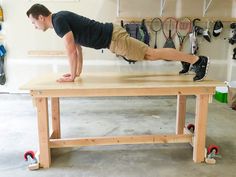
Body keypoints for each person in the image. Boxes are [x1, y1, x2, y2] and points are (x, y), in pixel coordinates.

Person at [26, 4, 209, 82]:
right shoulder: (60, 18)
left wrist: (73, 76)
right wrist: (77, 73)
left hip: (113, 38)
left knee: (151, 54)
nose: (34, 27)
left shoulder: (58, 23)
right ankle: (187, 59)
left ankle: (196, 60)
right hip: (112, 35)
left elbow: (71, 51)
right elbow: (78, 47)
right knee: (151, 54)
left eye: (33, 22)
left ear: (41, 17)